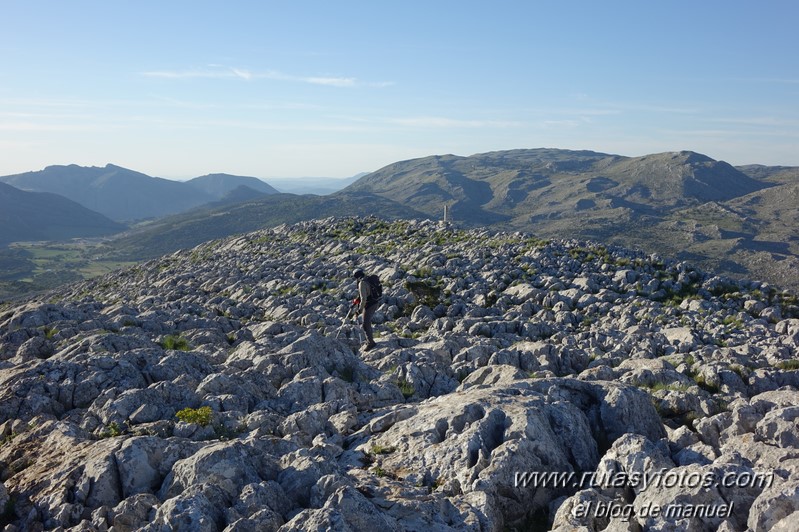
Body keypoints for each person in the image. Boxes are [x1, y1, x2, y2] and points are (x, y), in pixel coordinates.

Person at [353, 269, 378, 351]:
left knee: (365, 324)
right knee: (367, 322)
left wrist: (359, 310)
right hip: (375, 302)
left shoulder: (362, 283)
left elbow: (364, 299)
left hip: (369, 304)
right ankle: (370, 340)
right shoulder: (367, 279)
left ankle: (371, 343)